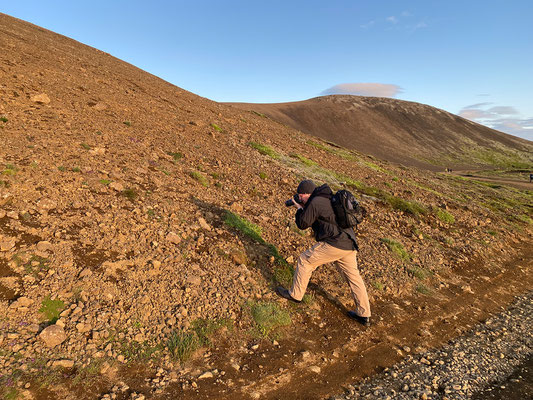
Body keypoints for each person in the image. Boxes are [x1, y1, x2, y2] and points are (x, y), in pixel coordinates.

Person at [276, 179, 372, 326]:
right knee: (354, 278)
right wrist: (304, 206)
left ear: (307, 193)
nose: (299, 198)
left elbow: (302, 224)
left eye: (301, 195)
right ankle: (364, 314)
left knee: (305, 260)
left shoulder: (315, 202)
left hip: (335, 243)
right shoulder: (327, 197)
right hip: (349, 243)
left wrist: (299, 208)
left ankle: (295, 295)